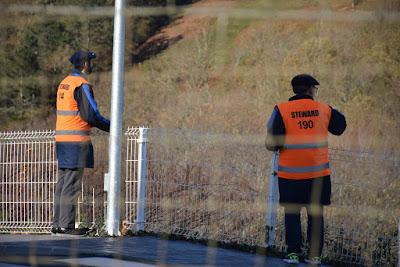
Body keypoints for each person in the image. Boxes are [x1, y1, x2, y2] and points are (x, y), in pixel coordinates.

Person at [265, 74, 346, 264]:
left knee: (292, 214)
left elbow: (273, 142)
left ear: (294, 90)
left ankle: (293, 254)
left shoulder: (281, 109)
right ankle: (315, 257)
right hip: (318, 175)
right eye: (314, 89)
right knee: (315, 214)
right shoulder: (324, 109)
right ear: (310, 90)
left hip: (290, 174)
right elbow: (340, 127)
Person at [53, 51, 110, 235]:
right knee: (71, 184)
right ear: (85, 63)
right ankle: (66, 226)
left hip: (62, 140)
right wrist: (112, 126)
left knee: (63, 182)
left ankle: (58, 224)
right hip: (76, 141)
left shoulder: (64, 83)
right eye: (91, 61)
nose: (92, 64)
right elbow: (91, 114)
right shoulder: (81, 84)